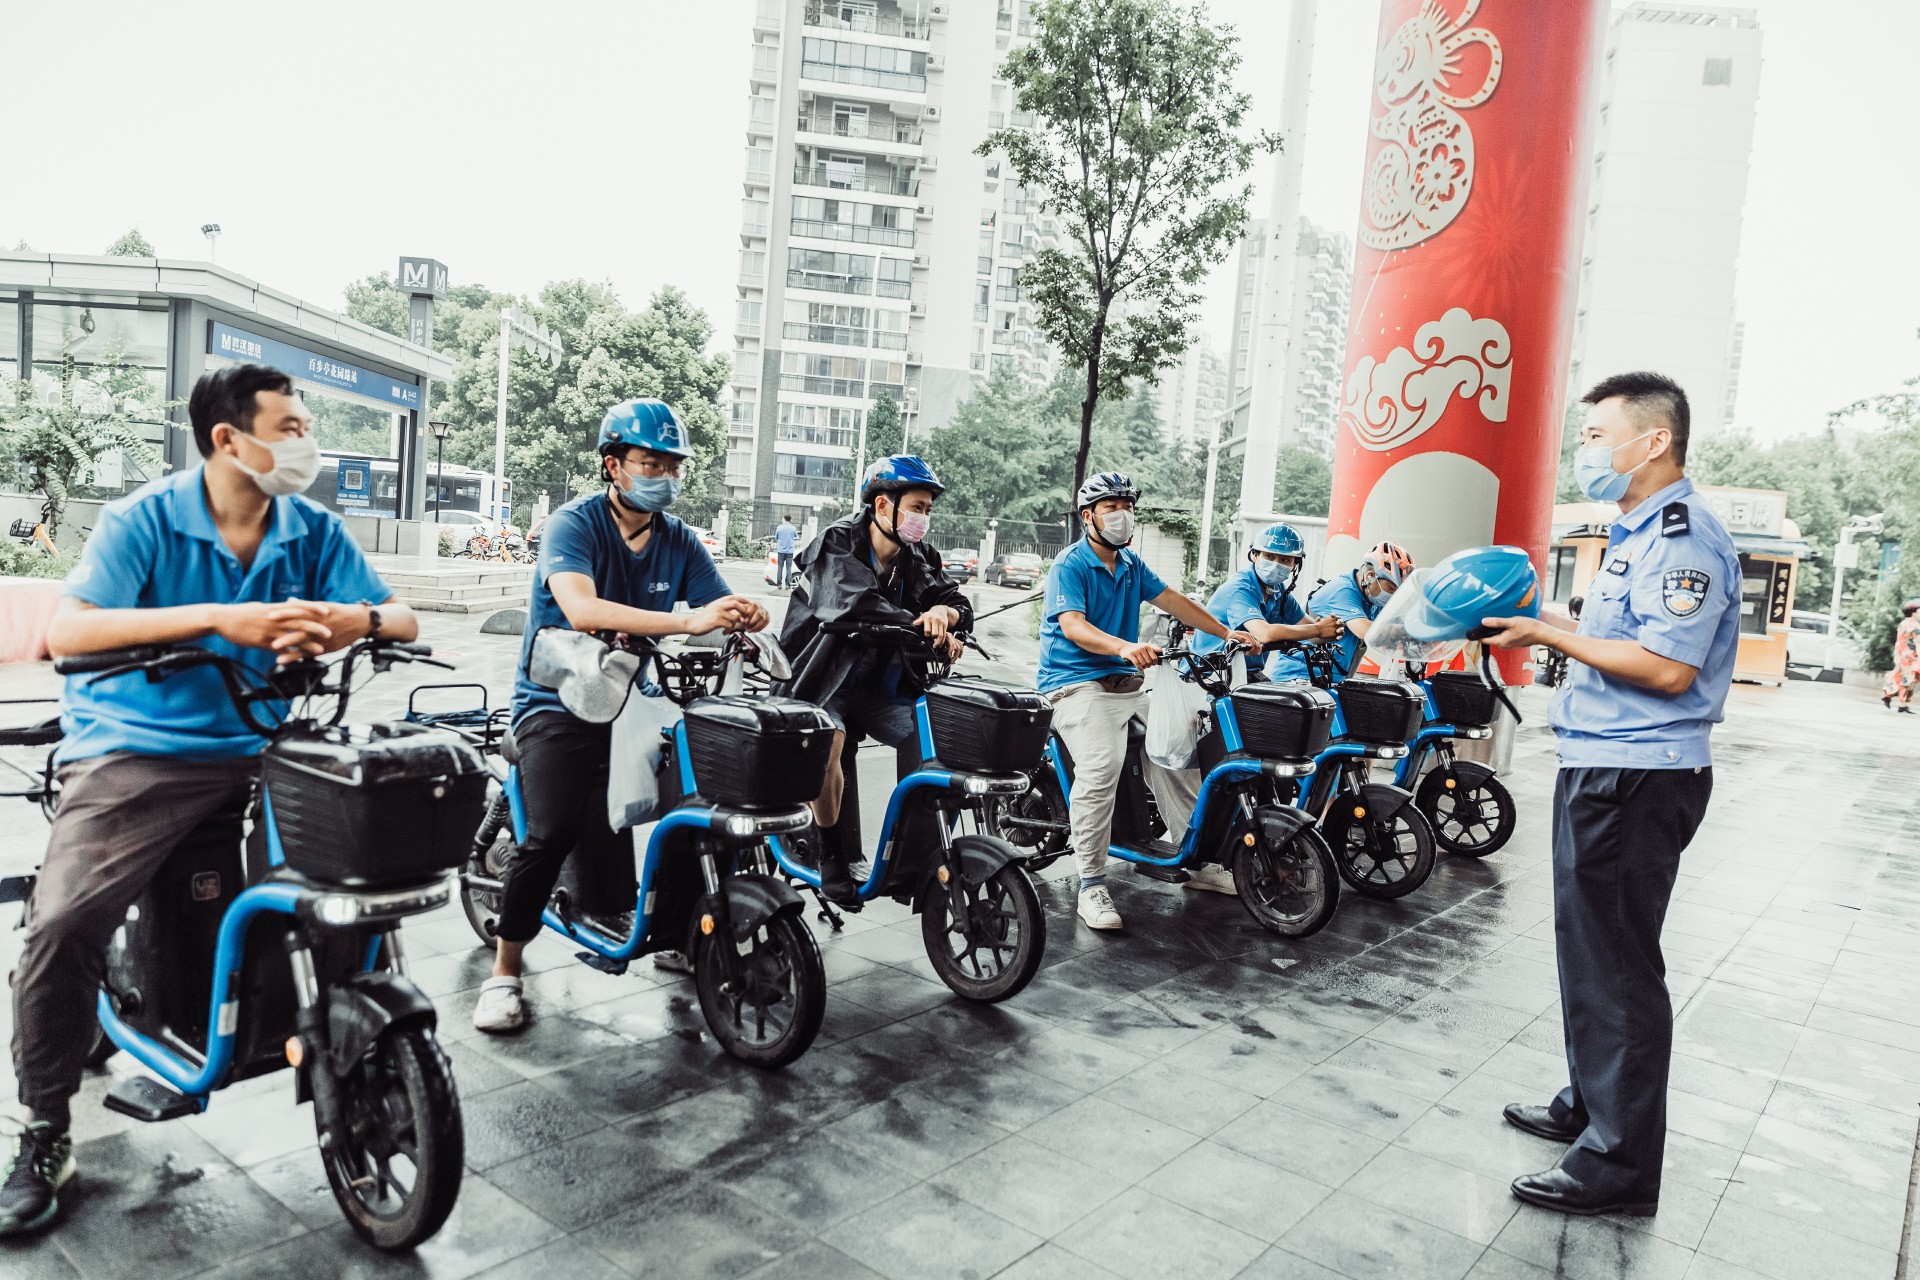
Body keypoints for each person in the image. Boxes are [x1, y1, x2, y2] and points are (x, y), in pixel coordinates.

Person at [3, 363, 420, 1236]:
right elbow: (68, 632)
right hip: (138, 749)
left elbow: (400, 616)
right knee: (63, 924)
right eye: (291, 427)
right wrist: (218, 619)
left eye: (305, 426)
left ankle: (357, 1025)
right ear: (229, 438)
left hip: (268, 743)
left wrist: (355, 621)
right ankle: (44, 1130)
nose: (307, 442)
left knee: (363, 876)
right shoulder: (144, 519)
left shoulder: (310, 528)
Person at [1480, 371, 1740, 1218]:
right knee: (1588, 948)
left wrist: (1547, 633)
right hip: (1603, 763)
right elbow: (1615, 637)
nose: (1585, 451)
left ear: (1653, 441)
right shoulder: (1636, 533)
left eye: (1597, 436)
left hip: (1640, 776)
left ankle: (1618, 1165)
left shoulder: (1684, 539)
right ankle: (1592, 1107)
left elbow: (1666, 668)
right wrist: (1533, 620)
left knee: (1620, 963)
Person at [473, 398, 767, 1035]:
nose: (664, 475)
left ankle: (681, 932)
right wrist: (687, 621)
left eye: (673, 465)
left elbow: (716, 607)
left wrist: (745, 614)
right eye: (650, 463)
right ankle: (505, 971)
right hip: (556, 701)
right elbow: (581, 609)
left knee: (699, 801)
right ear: (614, 465)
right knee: (550, 831)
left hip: (637, 700)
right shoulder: (572, 525)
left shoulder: (678, 538)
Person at [1037, 471, 1258, 931]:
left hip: (1127, 686)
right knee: (1101, 767)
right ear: (1088, 517)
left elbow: (1173, 600)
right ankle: (1090, 883)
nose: (1123, 515)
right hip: (1075, 686)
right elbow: (1073, 625)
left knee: (1177, 750)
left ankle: (1196, 860)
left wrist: (1226, 632)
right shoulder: (1070, 565)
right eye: (1111, 507)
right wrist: (1124, 647)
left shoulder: (1131, 565)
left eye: (1127, 507)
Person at [778, 455, 971, 907]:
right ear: (883, 505)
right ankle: (831, 856)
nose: (923, 518)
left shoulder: (919, 556)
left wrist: (945, 615)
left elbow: (956, 601)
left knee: (933, 737)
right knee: (830, 741)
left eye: (927, 510)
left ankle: (913, 861)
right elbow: (854, 603)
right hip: (821, 681)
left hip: (881, 688)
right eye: (917, 507)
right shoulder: (836, 542)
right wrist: (922, 623)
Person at [1151, 523, 1342, 893]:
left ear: (1297, 565)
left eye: (1286, 559)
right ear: (1254, 555)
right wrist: (1316, 630)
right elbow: (1263, 633)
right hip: (1207, 684)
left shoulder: (1279, 595)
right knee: (1222, 766)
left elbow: (1307, 627)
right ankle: (1201, 852)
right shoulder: (1241, 588)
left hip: (1245, 683)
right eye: (1270, 556)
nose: (1277, 564)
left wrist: (1324, 631)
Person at [1268, 541, 1416, 685]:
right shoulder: (1343, 590)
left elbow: (1395, 624)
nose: (1393, 595)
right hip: (1298, 677)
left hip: (1329, 680)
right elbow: (1365, 631)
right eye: (1391, 588)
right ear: (1370, 576)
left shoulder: (1374, 599)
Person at [1881, 600, 1918, 712]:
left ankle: (1889, 694)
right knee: (1909, 679)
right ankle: (1902, 704)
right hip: (1910, 656)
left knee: (1902, 677)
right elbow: (1917, 642)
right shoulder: (1914, 625)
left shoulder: (1903, 623)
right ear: (1914, 612)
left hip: (1901, 654)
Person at [774, 514, 800, 589]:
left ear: (784, 519)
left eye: (782, 518)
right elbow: (797, 537)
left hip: (781, 551)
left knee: (780, 567)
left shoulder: (779, 528)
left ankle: (779, 584)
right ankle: (787, 584)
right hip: (790, 551)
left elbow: (776, 537)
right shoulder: (793, 528)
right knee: (789, 568)